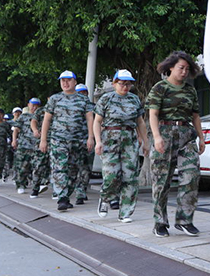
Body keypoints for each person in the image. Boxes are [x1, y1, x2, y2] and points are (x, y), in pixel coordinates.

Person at [146, 51, 206, 237]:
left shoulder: (190, 90)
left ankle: (184, 220)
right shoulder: (160, 88)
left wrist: (201, 137)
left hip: (186, 135)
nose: (184, 72)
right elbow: (153, 114)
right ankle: (160, 222)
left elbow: (195, 115)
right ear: (170, 67)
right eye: (181, 68)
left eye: (188, 69)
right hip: (164, 134)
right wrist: (156, 137)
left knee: (191, 176)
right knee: (162, 182)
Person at [93, 70, 149, 223]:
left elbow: (140, 122)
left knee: (130, 177)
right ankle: (105, 198)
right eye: (122, 83)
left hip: (130, 140)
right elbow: (97, 121)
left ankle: (125, 212)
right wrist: (98, 141)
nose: (125, 87)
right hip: (110, 140)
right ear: (114, 83)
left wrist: (146, 142)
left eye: (128, 84)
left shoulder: (134, 99)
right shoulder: (106, 99)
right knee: (112, 175)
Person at [39, 71, 94, 211]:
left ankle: (66, 195)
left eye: (68, 80)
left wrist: (90, 137)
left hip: (78, 141)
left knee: (74, 170)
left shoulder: (83, 100)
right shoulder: (54, 99)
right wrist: (43, 140)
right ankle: (62, 198)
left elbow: (90, 119)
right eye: (62, 80)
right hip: (59, 140)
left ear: (74, 82)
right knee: (59, 168)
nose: (65, 83)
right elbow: (47, 119)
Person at [74, 84, 93, 205]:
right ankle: (77, 190)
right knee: (75, 167)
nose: (82, 95)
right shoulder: (71, 108)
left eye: (84, 93)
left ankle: (81, 191)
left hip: (88, 141)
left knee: (86, 168)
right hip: (74, 142)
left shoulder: (93, 108)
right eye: (80, 93)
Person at [28, 98, 51, 198]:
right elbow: (33, 121)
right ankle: (35, 188)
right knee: (39, 165)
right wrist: (35, 130)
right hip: (42, 140)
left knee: (57, 167)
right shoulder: (41, 111)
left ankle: (57, 192)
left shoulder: (61, 110)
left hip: (57, 141)